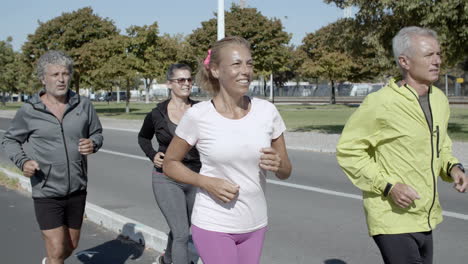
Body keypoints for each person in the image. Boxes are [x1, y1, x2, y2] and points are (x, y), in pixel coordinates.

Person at [336, 26, 467, 264]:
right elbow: (349, 151)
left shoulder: (439, 99)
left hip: (424, 214)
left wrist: (453, 168)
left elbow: (441, 144)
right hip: (391, 217)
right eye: (429, 55)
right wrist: (389, 187)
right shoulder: (380, 102)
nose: (437, 61)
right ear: (404, 61)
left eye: (438, 54)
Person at [162, 36, 292, 264]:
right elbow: (170, 164)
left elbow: (286, 171)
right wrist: (206, 182)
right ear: (215, 70)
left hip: (255, 223)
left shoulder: (267, 111)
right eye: (236, 64)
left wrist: (279, 164)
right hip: (214, 223)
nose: (245, 71)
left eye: (249, 64)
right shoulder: (198, 115)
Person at [2, 50, 103, 264]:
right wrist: (23, 162)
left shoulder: (83, 105)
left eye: (65, 74)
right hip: (46, 189)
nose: (61, 79)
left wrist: (93, 143)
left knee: (70, 246)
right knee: (57, 248)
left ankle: (49, 261)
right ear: (43, 79)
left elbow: (97, 133)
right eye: (55, 74)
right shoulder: (29, 110)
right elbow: (10, 140)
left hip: (77, 188)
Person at [138, 63, 200, 264]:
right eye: (181, 80)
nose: (186, 83)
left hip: (195, 177)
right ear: (169, 84)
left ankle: (166, 260)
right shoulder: (157, 113)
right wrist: (152, 154)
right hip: (166, 178)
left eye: (189, 79)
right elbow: (143, 137)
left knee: (183, 227)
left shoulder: (202, 110)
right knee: (182, 233)